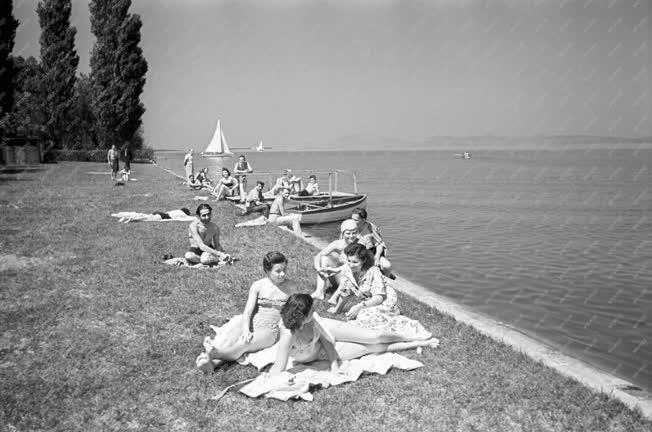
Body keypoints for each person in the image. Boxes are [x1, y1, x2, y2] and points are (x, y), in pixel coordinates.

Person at [268, 294, 437, 375]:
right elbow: (279, 366)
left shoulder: (311, 320)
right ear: (301, 316)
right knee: (373, 348)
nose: (315, 311)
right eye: (312, 310)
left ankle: (410, 335)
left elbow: (326, 339)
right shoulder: (288, 335)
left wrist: (334, 365)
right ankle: (416, 343)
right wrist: (269, 380)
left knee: (375, 336)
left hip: (328, 331)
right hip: (318, 353)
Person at [196, 251, 297, 372]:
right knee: (230, 340)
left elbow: (292, 312)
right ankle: (212, 364)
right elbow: (248, 312)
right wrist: (245, 328)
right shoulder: (258, 285)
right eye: (278, 271)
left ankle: (215, 354)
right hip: (252, 321)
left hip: (271, 329)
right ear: (267, 270)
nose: (282, 274)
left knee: (244, 343)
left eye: (285, 269)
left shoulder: (291, 287)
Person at [325, 244, 409, 333]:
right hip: (369, 300)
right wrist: (337, 310)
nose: (351, 265)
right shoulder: (347, 269)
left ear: (364, 260)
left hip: (385, 299)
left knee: (362, 315)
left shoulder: (374, 271)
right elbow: (345, 292)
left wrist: (360, 307)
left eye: (355, 262)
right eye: (349, 261)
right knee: (358, 315)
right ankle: (388, 315)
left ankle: (394, 312)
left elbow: (380, 297)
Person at [311, 219, 358, 300]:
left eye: (354, 233)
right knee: (324, 258)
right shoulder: (338, 244)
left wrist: (336, 270)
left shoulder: (360, 245)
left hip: (352, 281)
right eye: (348, 233)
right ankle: (319, 292)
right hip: (338, 279)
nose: (351, 236)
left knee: (349, 266)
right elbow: (319, 255)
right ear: (343, 234)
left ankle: (337, 296)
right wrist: (318, 268)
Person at [351, 208, 394, 279]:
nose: (353, 221)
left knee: (387, 266)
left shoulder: (370, 228)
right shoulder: (349, 226)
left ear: (364, 220)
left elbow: (379, 244)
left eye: (356, 220)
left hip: (370, 253)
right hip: (355, 254)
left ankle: (386, 278)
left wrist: (377, 257)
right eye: (351, 218)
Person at [112, 208, 192, 223]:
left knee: (145, 216)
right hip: (162, 216)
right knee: (145, 218)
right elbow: (187, 218)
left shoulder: (177, 210)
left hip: (160, 213)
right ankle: (130, 218)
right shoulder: (182, 214)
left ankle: (128, 216)